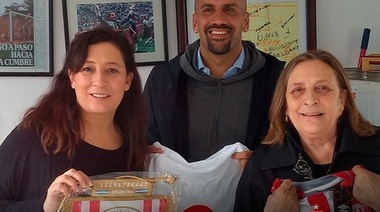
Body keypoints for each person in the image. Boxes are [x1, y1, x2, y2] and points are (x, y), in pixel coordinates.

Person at [0, 26, 149, 212]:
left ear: (127, 80)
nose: (100, 81)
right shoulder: (34, 135)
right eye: (88, 69)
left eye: (112, 70)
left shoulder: (133, 142)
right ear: (72, 77)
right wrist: (46, 207)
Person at [234, 50, 380, 211]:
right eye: (297, 90)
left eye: (322, 88)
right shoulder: (261, 165)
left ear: (342, 99)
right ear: (285, 106)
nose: (310, 100)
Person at [143, 0, 285, 165]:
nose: (219, 19)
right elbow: (143, 139)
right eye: (208, 10)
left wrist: (262, 162)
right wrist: (144, 152)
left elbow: (294, 144)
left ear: (245, 21)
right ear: (195, 22)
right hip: (179, 190)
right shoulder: (162, 79)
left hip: (252, 190)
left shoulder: (277, 77)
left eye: (230, 9)